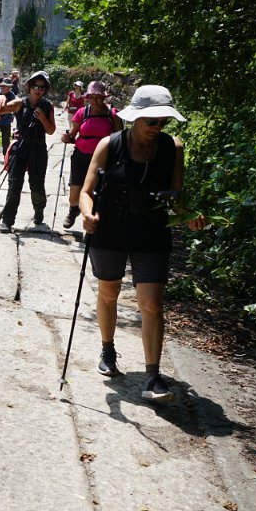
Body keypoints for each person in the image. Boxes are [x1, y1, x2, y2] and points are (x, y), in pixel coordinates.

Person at [78, 85, 206, 402]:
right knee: (109, 292)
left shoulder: (173, 147)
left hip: (152, 231)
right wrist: (87, 214)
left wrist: (189, 215)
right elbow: (86, 191)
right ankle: (108, 350)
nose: (157, 127)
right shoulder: (110, 144)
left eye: (162, 122)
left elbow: (175, 198)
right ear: (135, 118)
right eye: (151, 121)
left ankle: (153, 377)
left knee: (152, 304)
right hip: (110, 228)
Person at [0, 70, 55, 232]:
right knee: (14, 185)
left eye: (42, 87)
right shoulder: (20, 103)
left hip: (38, 149)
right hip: (20, 148)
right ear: (29, 87)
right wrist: (2, 97)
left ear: (45, 89)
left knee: (37, 185)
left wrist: (43, 118)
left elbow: (51, 130)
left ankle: (39, 210)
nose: (38, 90)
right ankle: (7, 221)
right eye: (35, 86)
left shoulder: (47, 106)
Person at [60, 81, 122, 229]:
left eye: (98, 97)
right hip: (81, 158)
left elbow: (120, 137)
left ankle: (92, 221)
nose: (95, 101)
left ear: (104, 98)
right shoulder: (82, 112)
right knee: (74, 195)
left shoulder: (113, 114)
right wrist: (67, 138)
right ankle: (74, 209)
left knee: (95, 193)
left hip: (103, 160)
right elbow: (72, 135)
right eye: (91, 97)